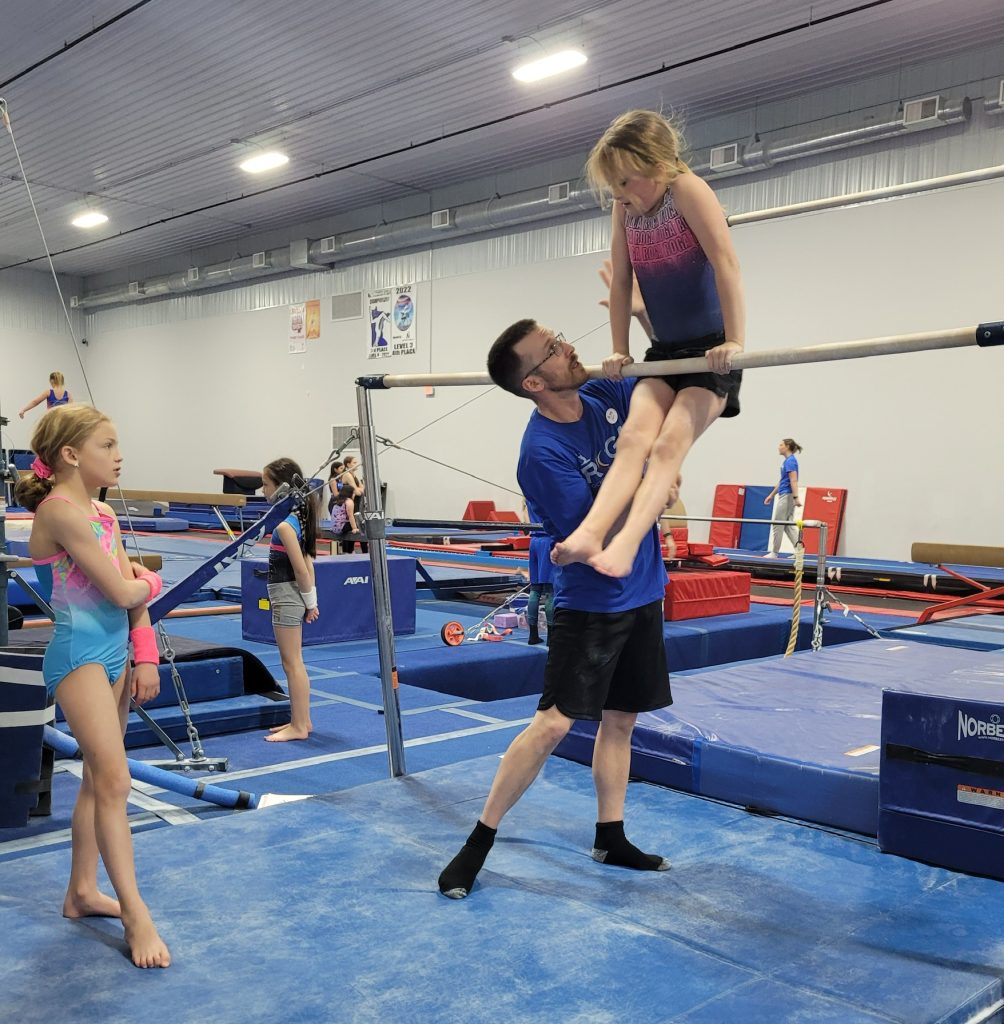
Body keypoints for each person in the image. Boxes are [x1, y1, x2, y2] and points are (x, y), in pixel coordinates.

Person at [437, 318, 672, 900]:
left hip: (645, 590)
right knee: (553, 724)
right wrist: (655, 482)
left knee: (621, 720)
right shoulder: (540, 454)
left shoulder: (602, 392)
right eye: (553, 350)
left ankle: (609, 835)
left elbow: (666, 392)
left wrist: (639, 326)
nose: (570, 348)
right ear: (535, 382)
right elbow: (603, 529)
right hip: (592, 604)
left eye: (560, 336)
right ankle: (477, 844)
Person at [553, 109, 745, 578]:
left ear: (658, 167)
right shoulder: (626, 209)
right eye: (613, 186)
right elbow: (621, 282)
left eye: (624, 182)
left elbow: (725, 264)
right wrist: (620, 349)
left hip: (709, 352)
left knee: (668, 445)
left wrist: (735, 341)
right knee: (633, 438)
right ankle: (592, 532)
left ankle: (626, 545)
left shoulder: (688, 191)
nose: (618, 195)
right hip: (664, 352)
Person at [15, 404, 170, 968]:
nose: (119, 454)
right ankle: (136, 915)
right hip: (78, 654)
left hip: (115, 656)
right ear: (71, 455)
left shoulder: (102, 512)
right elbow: (126, 590)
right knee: (116, 780)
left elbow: (134, 603)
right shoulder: (60, 512)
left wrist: (145, 656)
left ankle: (81, 891)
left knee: (97, 782)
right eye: (108, 445)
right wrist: (153, 579)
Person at [261, 457, 320, 742]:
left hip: (286, 595)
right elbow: (310, 566)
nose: (262, 490)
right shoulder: (300, 520)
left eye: (265, 484)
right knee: (294, 661)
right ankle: (303, 720)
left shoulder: (285, 526)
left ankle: (298, 727)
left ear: (282, 488)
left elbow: (300, 569)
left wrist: (310, 602)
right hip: (293, 596)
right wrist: (311, 601)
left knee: (291, 662)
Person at [764, 438, 803, 556]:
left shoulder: (790, 461)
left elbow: (794, 480)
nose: (778, 447)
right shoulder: (787, 461)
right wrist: (771, 495)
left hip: (787, 495)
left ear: (787, 447)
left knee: (777, 523)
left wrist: (796, 498)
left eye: (781, 445)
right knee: (788, 525)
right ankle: (799, 551)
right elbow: (782, 481)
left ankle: (774, 552)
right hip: (786, 494)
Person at [524, 501, 555, 646]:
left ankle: (533, 635)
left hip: (533, 540)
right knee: (550, 591)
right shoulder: (546, 491)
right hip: (547, 540)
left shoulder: (529, 493)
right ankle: (551, 637)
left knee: (535, 590)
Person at [329, 481, 363, 554]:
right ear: (350, 493)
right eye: (353, 493)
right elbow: (351, 516)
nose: (354, 495)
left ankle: (346, 551)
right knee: (359, 528)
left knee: (349, 531)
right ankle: (351, 550)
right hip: (341, 527)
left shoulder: (336, 500)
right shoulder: (349, 501)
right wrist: (354, 528)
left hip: (334, 527)